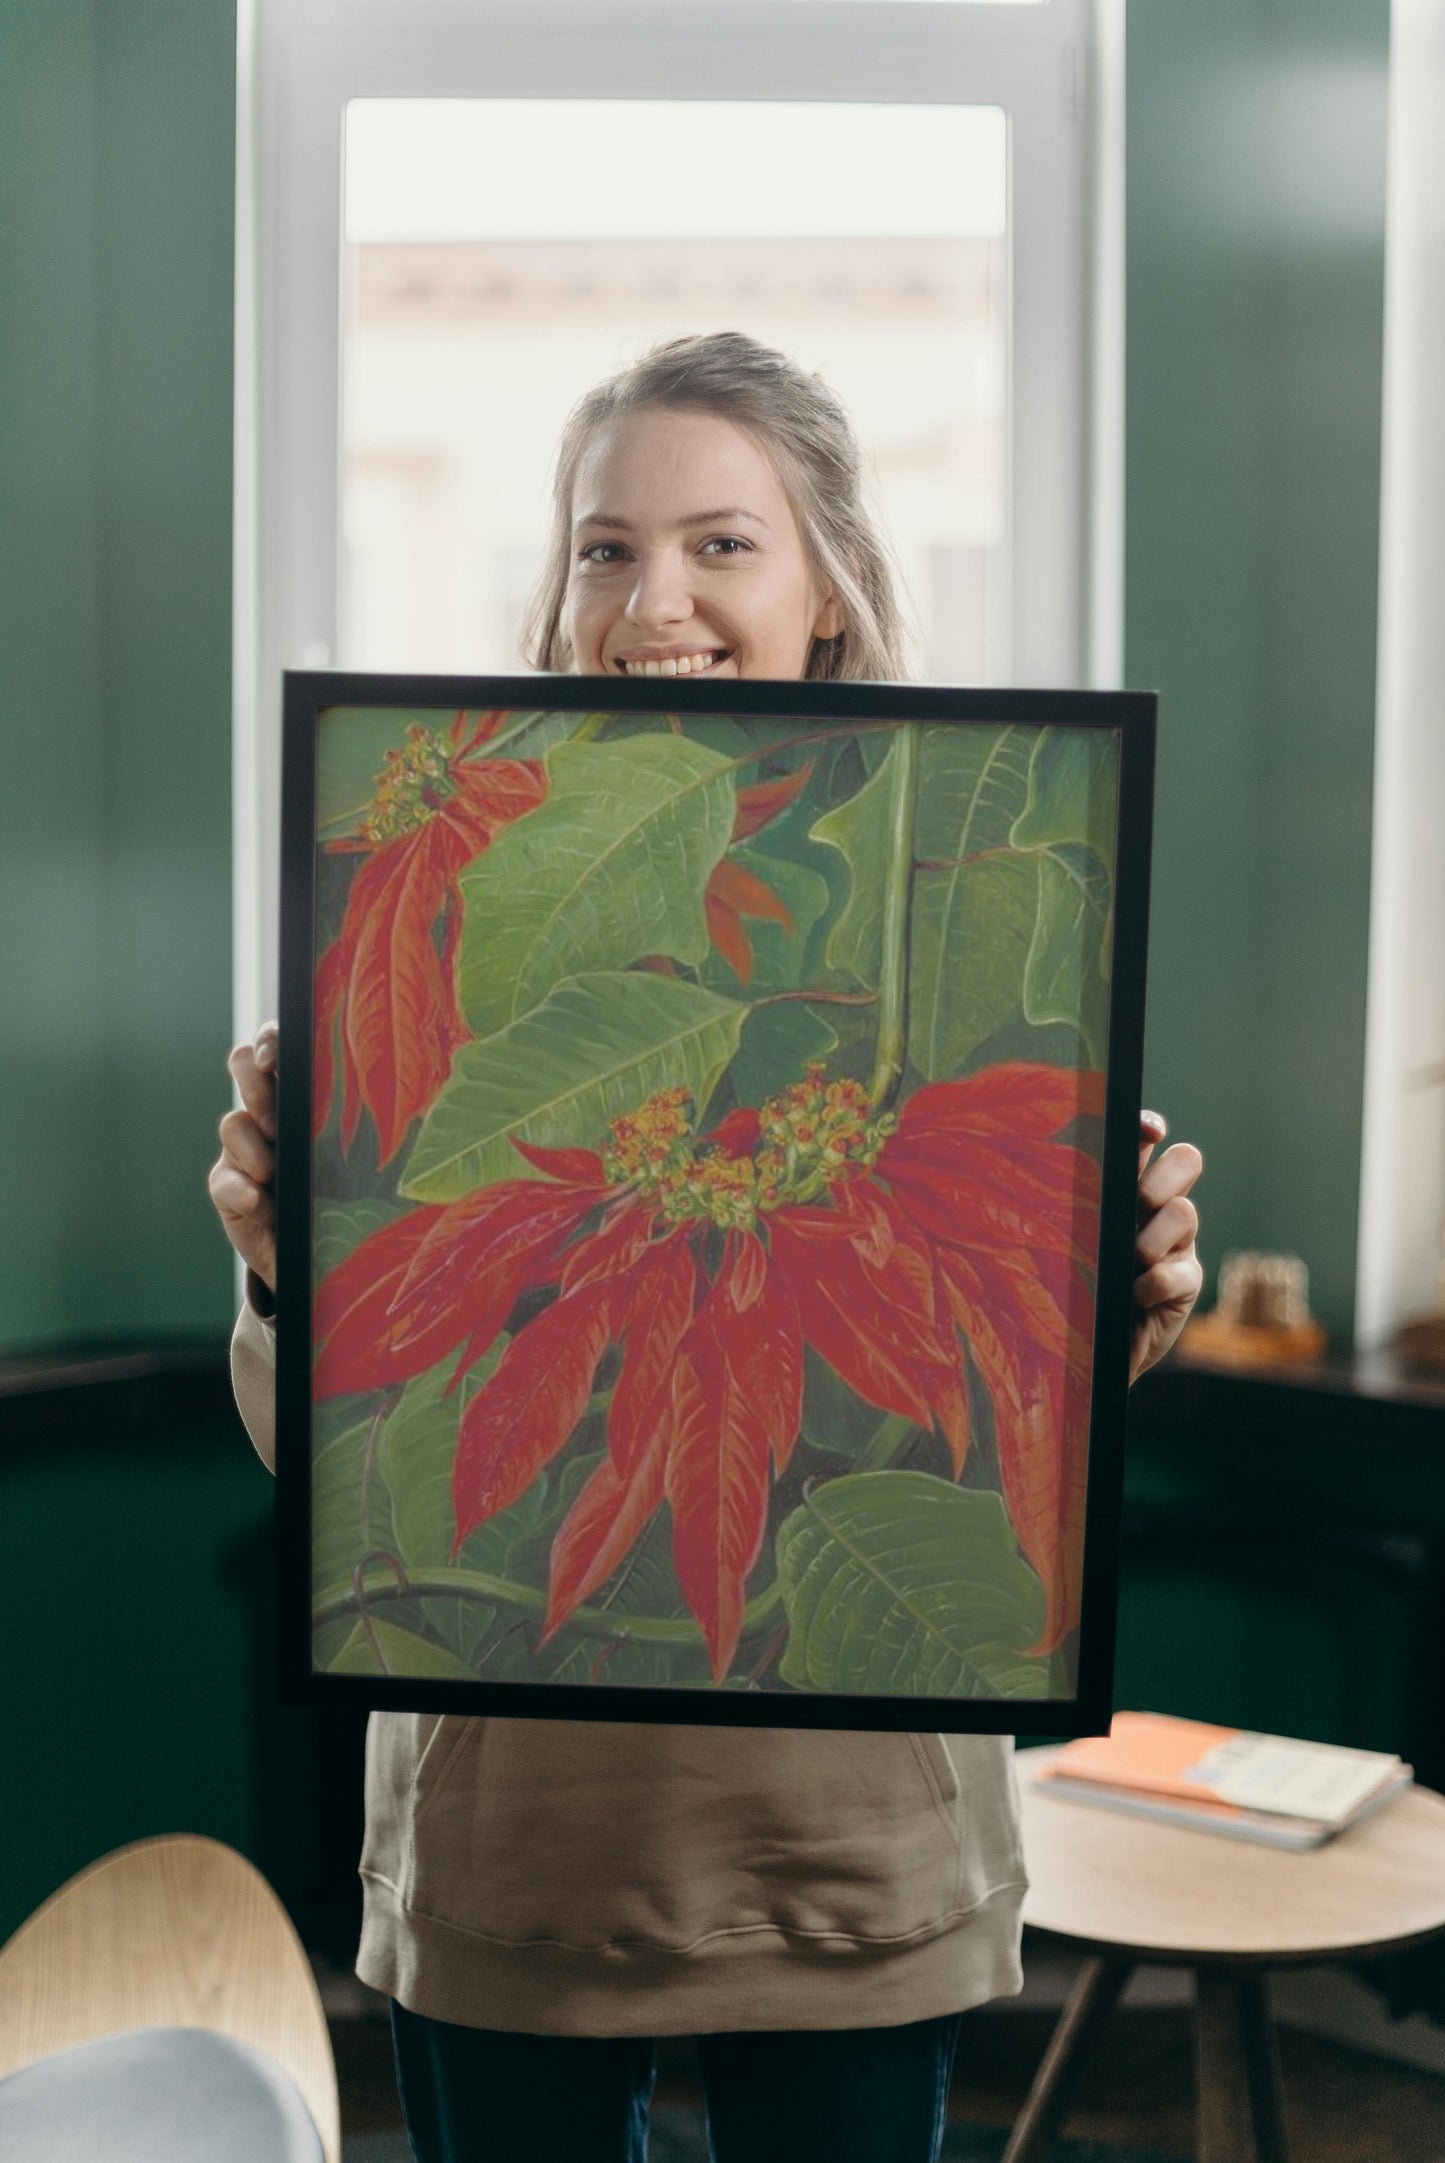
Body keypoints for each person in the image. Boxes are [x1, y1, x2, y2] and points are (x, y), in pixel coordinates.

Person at [210, 332, 1204, 2163]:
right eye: (604, 546)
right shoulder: (444, 911)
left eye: (719, 544)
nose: (649, 598)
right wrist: (289, 1271)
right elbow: (355, 1469)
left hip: (847, 1842)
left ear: (827, 585)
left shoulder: (959, 889)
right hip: (518, 1842)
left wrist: (1118, 1298)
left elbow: (988, 1424)